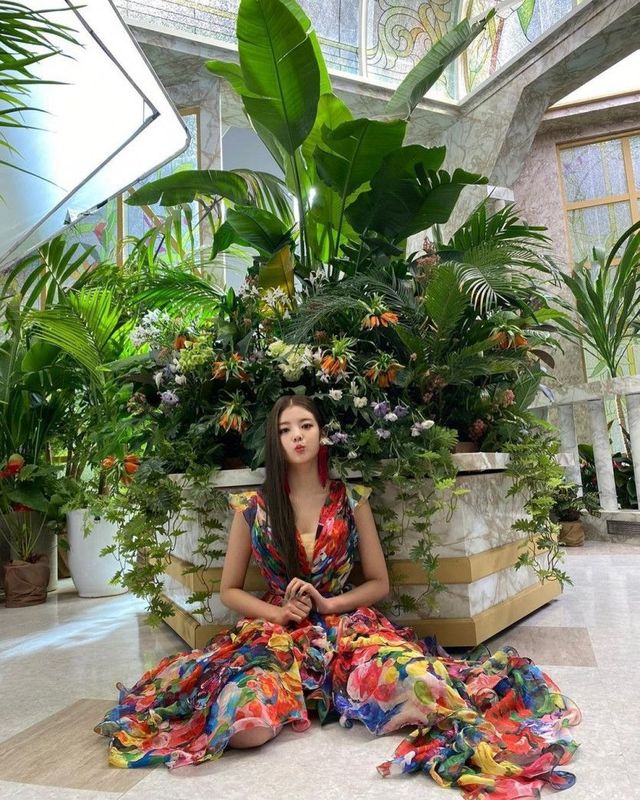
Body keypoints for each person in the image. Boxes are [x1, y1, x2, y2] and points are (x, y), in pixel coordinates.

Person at [95, 395, 580, 798]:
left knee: (426, 689)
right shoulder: (253, 507)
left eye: (306, 425)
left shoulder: (351, 498)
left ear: (321, 434)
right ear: (275, 441)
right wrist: (279, 612)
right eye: (286, 430)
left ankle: (323, 691)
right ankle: (292, 695)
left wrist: (329, 605)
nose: (297, 436)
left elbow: (378, 583)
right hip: (275, 636)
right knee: (247, 728)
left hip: (347, 629)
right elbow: (229, 590)